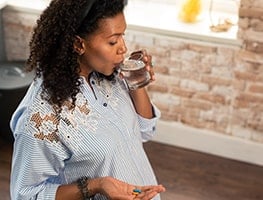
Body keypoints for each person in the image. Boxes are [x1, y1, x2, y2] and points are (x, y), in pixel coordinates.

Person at [10, 0, 166, 199]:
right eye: (113, 41)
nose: (123, 48)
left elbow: (145, 131)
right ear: (78, 44)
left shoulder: (108, 74)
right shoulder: (42, 119)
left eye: (122, 36)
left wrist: (136, 83)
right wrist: (96, 185)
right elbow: (26, 195)